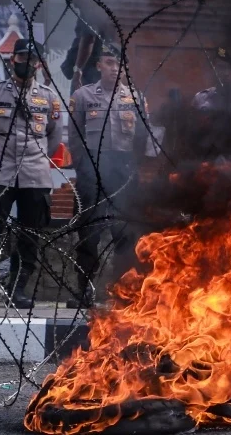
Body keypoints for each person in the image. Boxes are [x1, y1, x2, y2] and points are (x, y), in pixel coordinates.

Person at [67, 43, 150, 309]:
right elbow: (74, 135)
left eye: (117, 64)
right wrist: (82, 167)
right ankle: (84, 291)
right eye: (108, 63)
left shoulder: (135, 98)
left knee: (124, 234)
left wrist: (133, 167)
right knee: (89, 233)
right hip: (92, 169)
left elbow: (142, 138)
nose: (114, 68)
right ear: (98, 66)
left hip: (123, 170)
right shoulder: (83, 96)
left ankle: (124, 293)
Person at [0, 38, 61, 308]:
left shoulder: (49, 98)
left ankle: (17, 288)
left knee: (30, 235)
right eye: (21, 58)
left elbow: (54, 138)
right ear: (12, 60)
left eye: (31, 59)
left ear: (38, 64)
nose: (26, 63)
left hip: (35, 176)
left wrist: (37, 159)